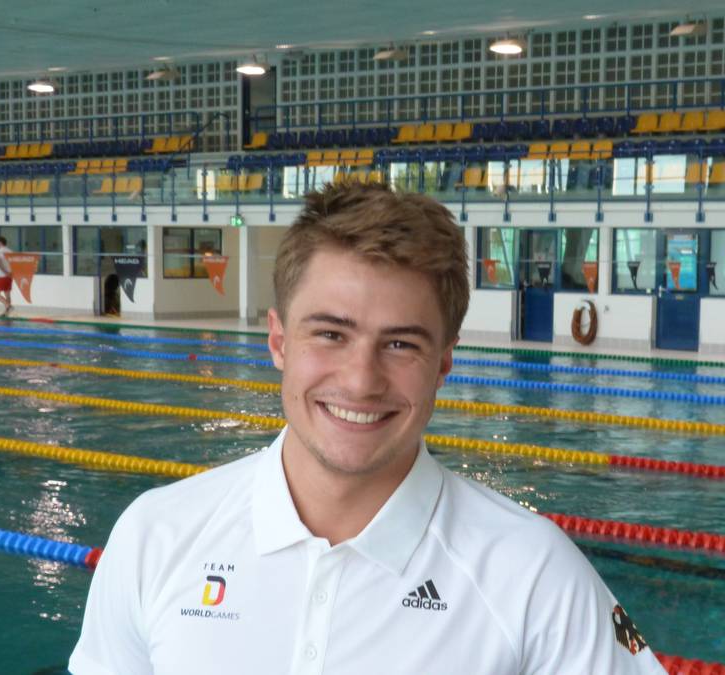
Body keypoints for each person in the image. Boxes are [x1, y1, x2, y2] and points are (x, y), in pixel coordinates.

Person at [69, 182, 667, 675]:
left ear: (443, 365)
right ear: (279, 341)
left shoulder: (533, 575)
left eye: (401, 344)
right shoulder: (157, 537)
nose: (360, 381)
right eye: (331, 334)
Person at [0, 236, 13, 316]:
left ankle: (8, 306)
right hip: (10, 275)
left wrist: (6, 272)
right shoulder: (10, 251)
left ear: (0, 243)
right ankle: (7, 313)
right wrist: (10, 273)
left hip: (2, 276)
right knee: (7, 293)